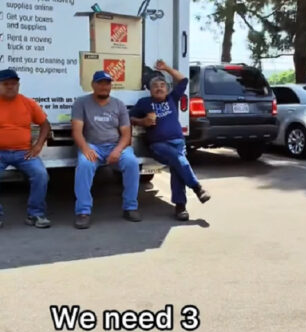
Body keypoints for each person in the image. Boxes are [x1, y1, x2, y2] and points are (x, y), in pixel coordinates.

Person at [0, 69, 52, 233]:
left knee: (41, 174)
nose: (10, 87)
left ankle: (35, 214)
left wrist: (38, 146)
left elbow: (45, 125)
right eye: (6, 84)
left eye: (14, 83)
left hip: (23, 152)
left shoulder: (28, 103)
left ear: (18, 85)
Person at [130, 60, 210, 221]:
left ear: (167, 89)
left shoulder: (172, 98)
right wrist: (142, 121)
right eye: (155, 86)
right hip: (158, 145)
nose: (159, 88)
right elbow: (128, 117)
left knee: (177, 166)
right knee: (177, 158)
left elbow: (184, 80)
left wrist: (166, 68)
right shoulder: (144, 103)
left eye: (162, 85)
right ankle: (197, 187)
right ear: (150, 90)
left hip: (178, 142)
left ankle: (180, 207)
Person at [71, 71, 141, 229]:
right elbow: (76, 131)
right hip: (92, 145)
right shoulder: (81, 103)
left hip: (115, 145)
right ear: (93, 85)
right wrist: (86, 148)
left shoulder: (119, 104)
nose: (104, 87)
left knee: (131, 163)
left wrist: (117, 150)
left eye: (107, 83)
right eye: (100, 83)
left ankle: (130, 207)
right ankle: (83, 212)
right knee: (84, 165)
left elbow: (126, 134)